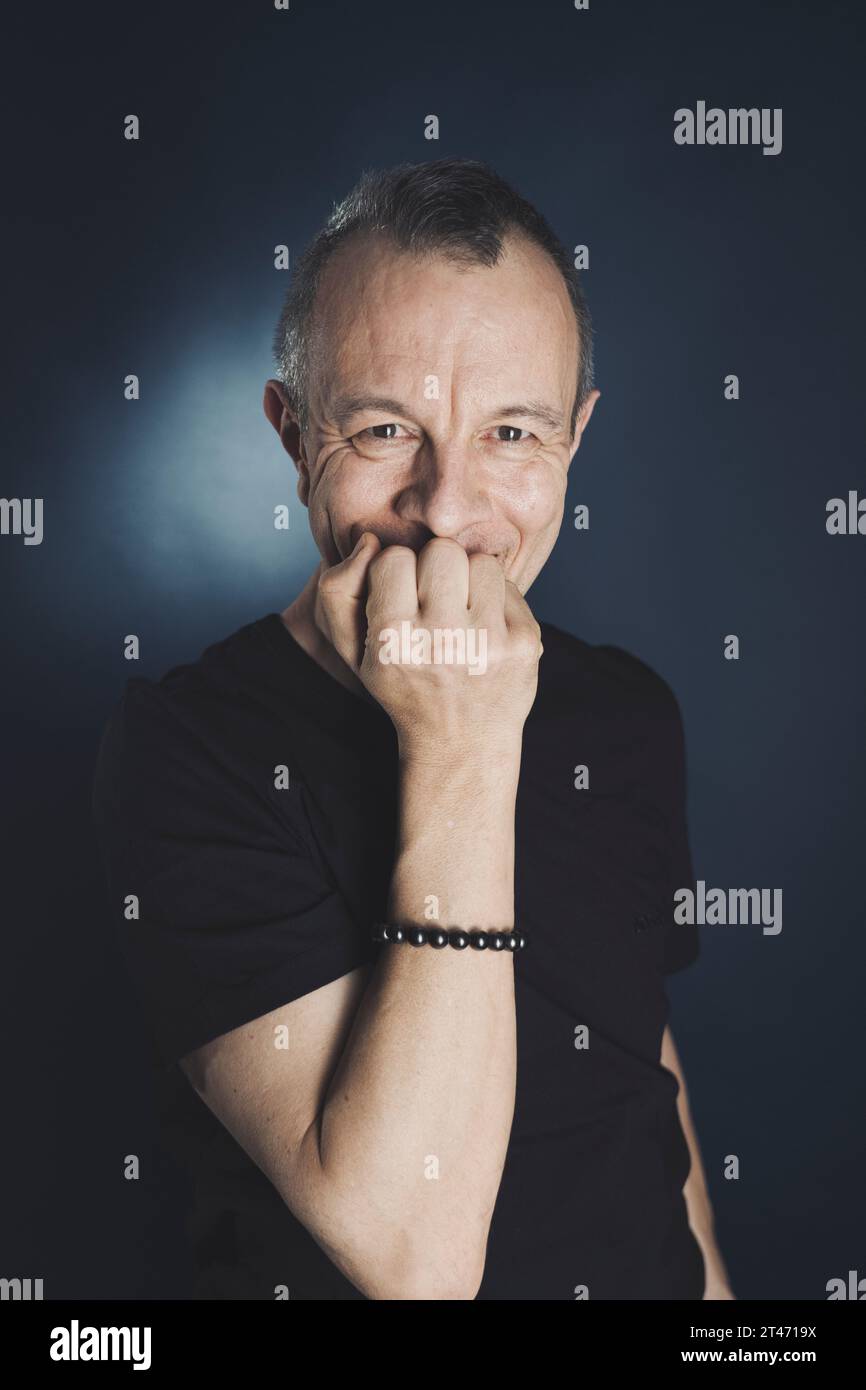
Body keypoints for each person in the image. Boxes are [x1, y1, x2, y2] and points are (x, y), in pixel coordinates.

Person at [92, 157, 734, 1301]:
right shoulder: (187, 748)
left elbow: (642, 1077)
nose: (445, 510)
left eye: (511, 435)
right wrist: (462, 745)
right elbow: (416, 1263)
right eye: (386, 429)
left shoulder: (627, 710)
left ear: (573, 443)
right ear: (293, 437)